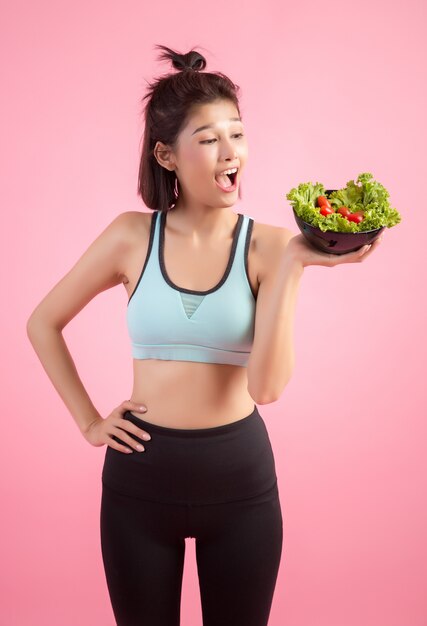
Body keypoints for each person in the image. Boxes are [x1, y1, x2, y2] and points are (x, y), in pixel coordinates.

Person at [26, 44, 382, 626]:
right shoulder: (128, 236)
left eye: (237, 134)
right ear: (166, 155)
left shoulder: (270, 245)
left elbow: (266, 389)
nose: (230, 152)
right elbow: (42, 322)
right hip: (139, 480)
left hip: (239, 480)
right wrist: (89, 422)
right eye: (210, 138)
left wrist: (293, 265)